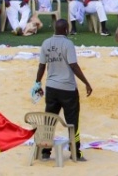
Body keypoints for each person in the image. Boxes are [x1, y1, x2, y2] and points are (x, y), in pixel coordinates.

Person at [34, 19, 93, 162]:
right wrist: (86, 82)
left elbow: (41, 66)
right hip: (67, 89)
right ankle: (75, 152)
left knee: (49, 120)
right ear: (66, 29)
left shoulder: (46, 43)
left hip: (51, 88)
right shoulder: (68, 44)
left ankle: (45, 152)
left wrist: (37, 83)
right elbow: (73, 65)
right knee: (73, 122)